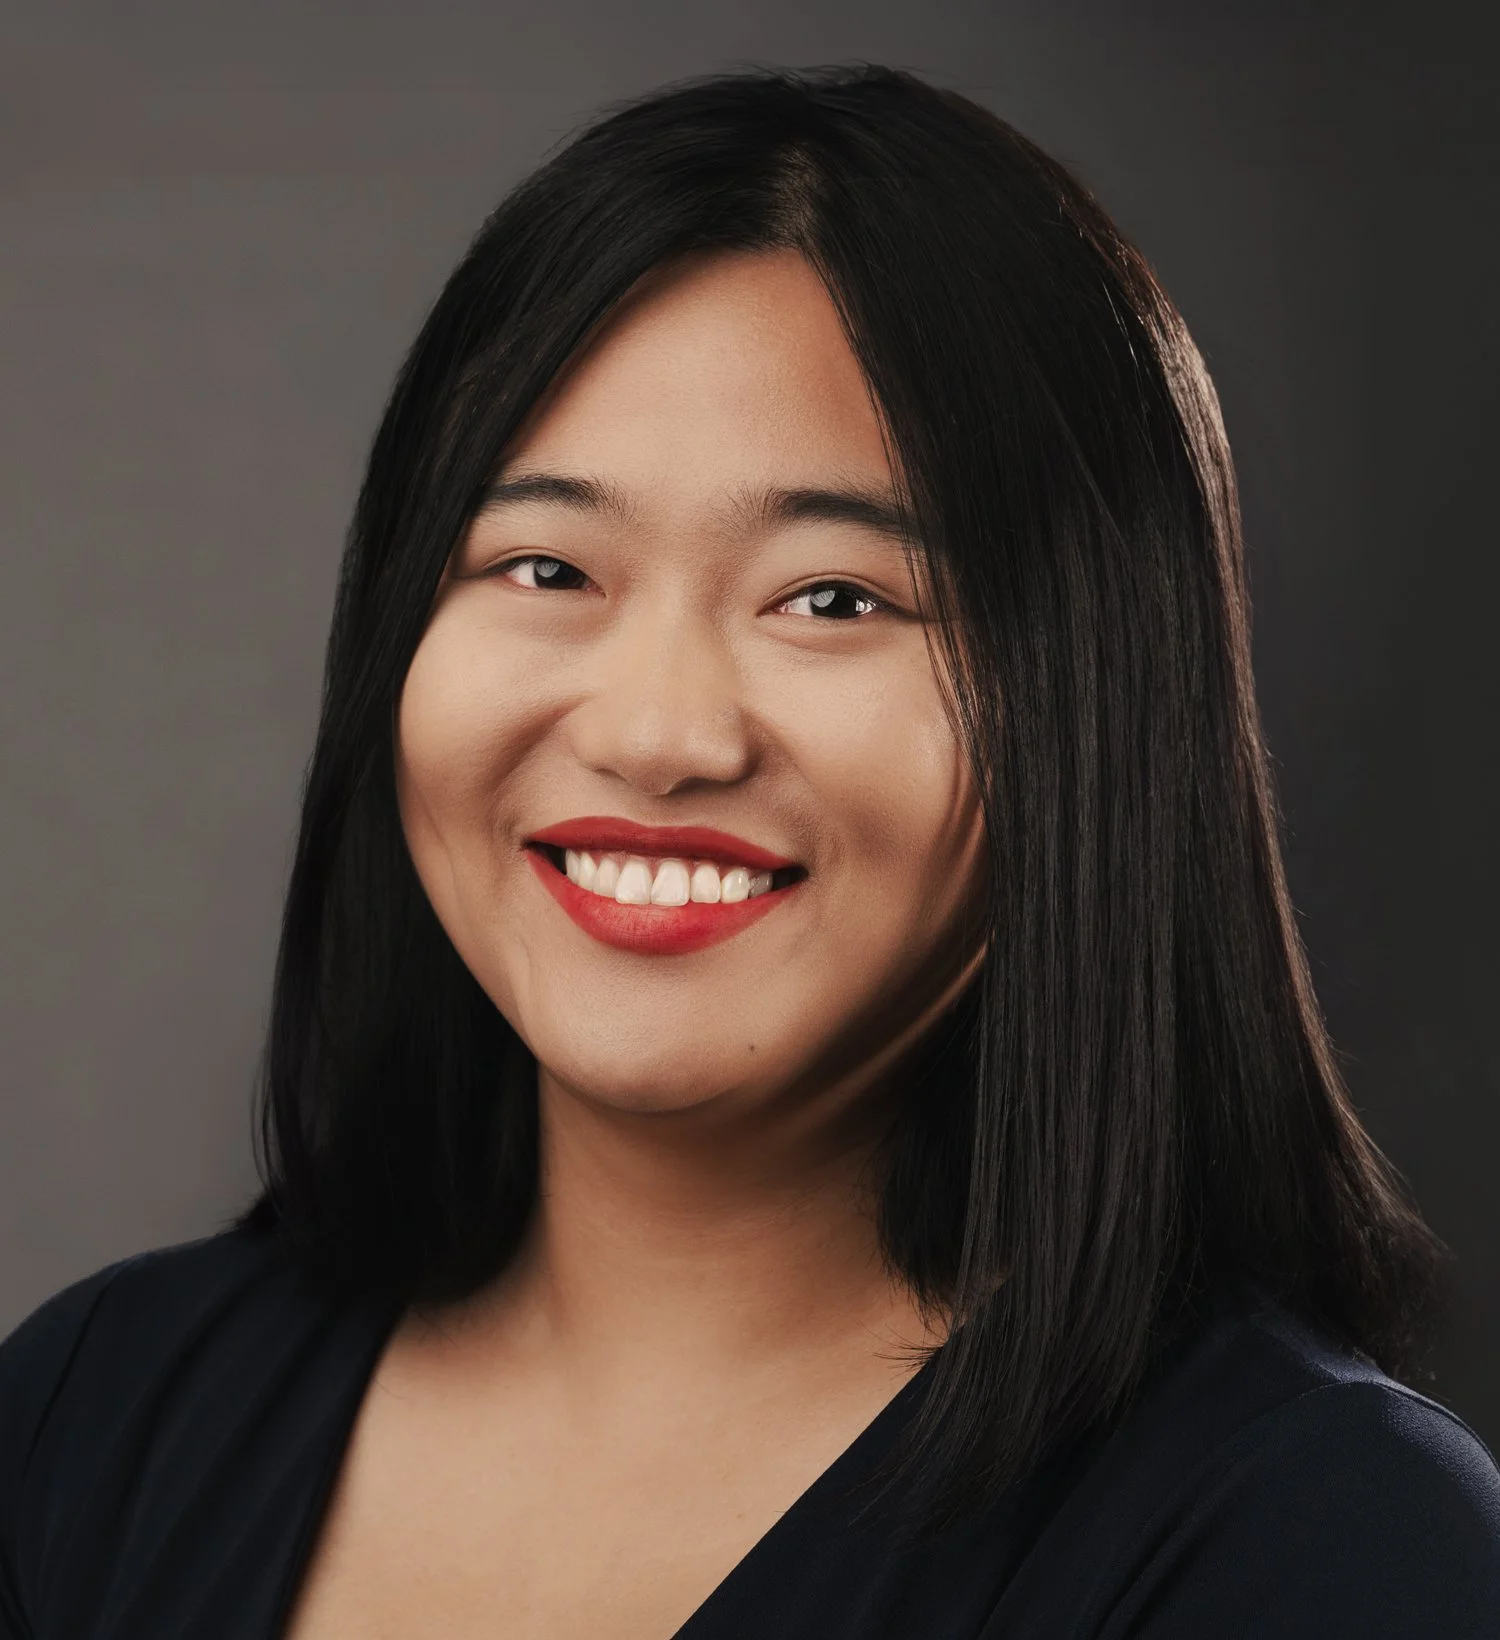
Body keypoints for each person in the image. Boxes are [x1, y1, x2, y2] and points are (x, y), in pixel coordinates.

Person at [1, 62, 1497, 1640]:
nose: (658, 735)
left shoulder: (1321, 1548)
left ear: (1097, 703)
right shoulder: (87, 1425)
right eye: (546, 566)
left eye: (834, 598)